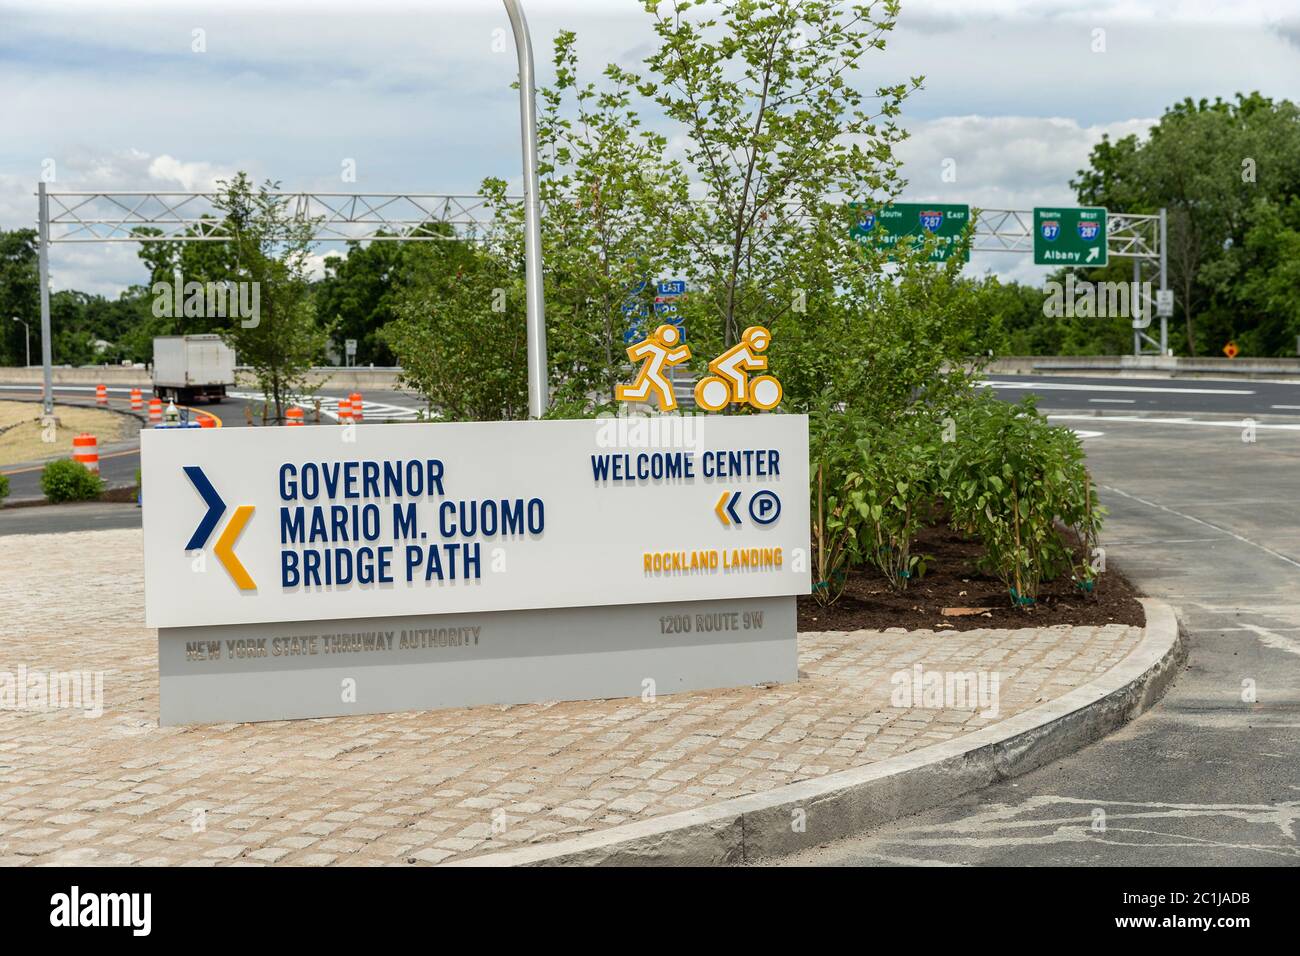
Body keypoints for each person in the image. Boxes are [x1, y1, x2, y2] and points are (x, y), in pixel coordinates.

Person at [616, 323, 691, 412]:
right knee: (663, 387)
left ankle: (668, 410)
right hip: (651, 373)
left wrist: (683, 352)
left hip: (652, 373)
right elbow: (634, 353)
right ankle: (669, 410)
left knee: (644, 390)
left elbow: (672, 358)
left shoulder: (657, 347)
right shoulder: (651, 345)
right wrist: (683, 352)